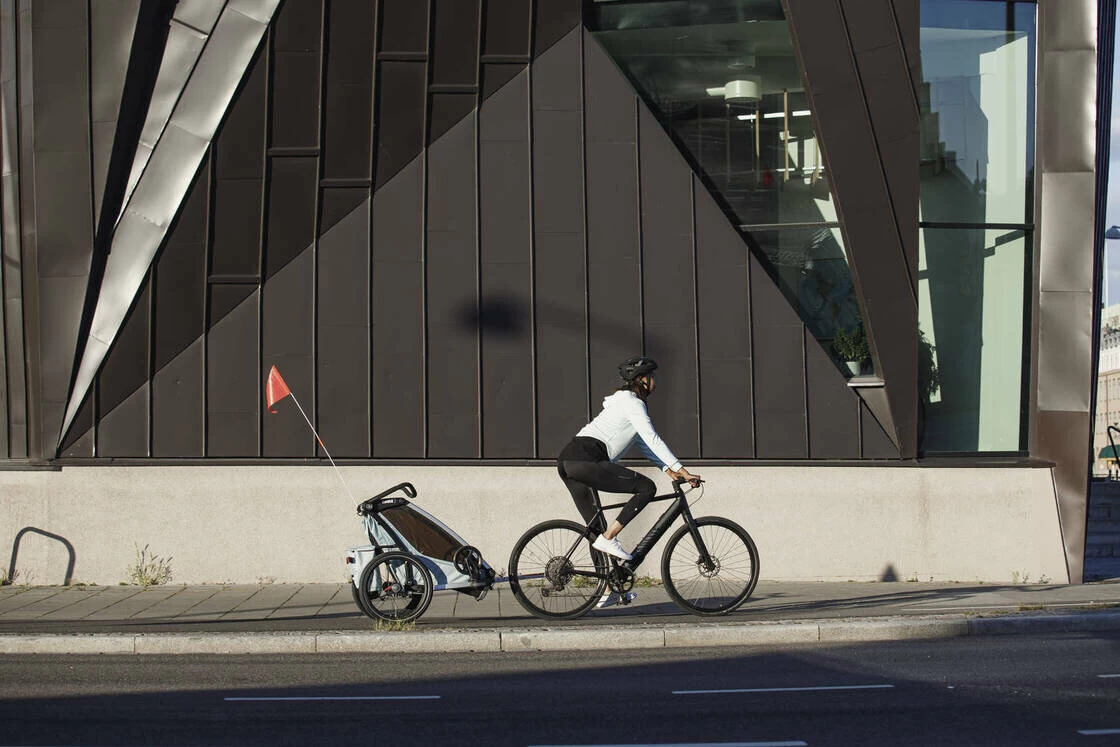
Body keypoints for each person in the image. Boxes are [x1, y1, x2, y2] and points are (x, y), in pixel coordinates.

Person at [556, 356, 701, 607]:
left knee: (595, 529)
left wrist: (669, 469)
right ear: (641, 380)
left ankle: (607, 591)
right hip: (588, 458)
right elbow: (653, 438)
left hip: (569, 460)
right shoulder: (632, 403)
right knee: (646, 488)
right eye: (652, 377)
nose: (655, 383)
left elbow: (644, 445)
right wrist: (682, 469)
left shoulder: (622, 404)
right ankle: (611, 537)